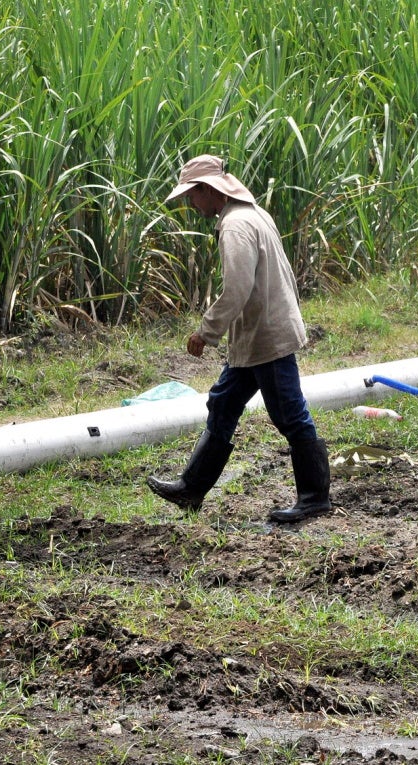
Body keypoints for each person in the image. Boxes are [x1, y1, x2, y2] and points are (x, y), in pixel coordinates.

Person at [147, 155, 330, 524]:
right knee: (223, 403)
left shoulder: (234, 226)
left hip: (266, 337)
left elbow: (237, 288)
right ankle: (191, 488)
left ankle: (314, 498)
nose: (190, 204)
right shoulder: (254, 214)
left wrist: (207, 331)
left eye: (191, 197)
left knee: (289, 415)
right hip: (256, 335)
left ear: (207, 190)